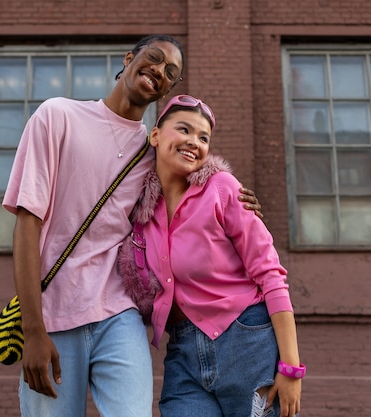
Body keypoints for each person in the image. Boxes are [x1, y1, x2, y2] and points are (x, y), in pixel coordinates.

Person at [2, 35, 262, 417]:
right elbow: (27, 225)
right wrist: (33, 329)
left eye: (170, 73)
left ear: (168, 89)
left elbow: (198, 190)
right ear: (129, 59)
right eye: (153, 59)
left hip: (118, 313)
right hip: (51, 315)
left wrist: (240, 196)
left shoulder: (154, 149)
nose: (158, 71)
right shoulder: (57, 116)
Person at [119, 95, 303, 417]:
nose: (194, 142)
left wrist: (290, 367)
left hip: (247, 341)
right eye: (184, 130)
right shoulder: (140, 212)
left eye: (203, 137)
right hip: (184, 354)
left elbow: (271, 275)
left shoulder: (223, 189)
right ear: (156, 135)